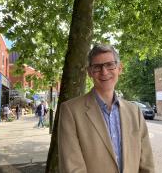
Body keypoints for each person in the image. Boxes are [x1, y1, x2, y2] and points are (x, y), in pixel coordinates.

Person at [58, 44, 155, 173]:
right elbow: (72, 169)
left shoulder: (134, 112)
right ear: (89, 72)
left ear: (119, 68)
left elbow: (147, 164)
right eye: (97, 67)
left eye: (110, 65)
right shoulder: (70, 111)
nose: (104, 72)